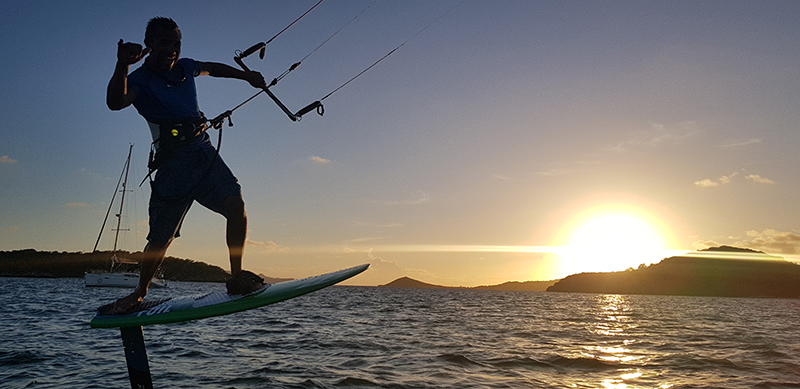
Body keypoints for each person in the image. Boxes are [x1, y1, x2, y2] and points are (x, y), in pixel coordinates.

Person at [101, 17, 266, 315]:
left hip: (202, 150)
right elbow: (116, 102)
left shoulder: (186, 67)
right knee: (160, 238)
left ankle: (237, 276)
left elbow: (213, 69)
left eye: (176, 44)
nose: (172, 50)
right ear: (149, 46)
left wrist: (247, 77)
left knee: (235, 204)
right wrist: (123, 65)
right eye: (165, 43)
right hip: (173, 163)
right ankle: (140, 292)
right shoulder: (138, 80)